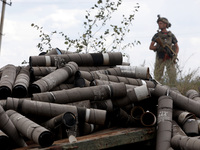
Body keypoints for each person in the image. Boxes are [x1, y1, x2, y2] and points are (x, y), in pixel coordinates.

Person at [149, 15, 179, 86]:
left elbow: (176, 47)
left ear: (165, 24)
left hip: (169, 58)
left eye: (161, 23)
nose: (159, 25)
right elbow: (151, 47)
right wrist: (158, 47)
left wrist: (175, 55)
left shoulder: (171, 35)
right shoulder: (157, 35)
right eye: (158, 23)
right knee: (157, 76)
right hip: (160, 57)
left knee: (172, 76)